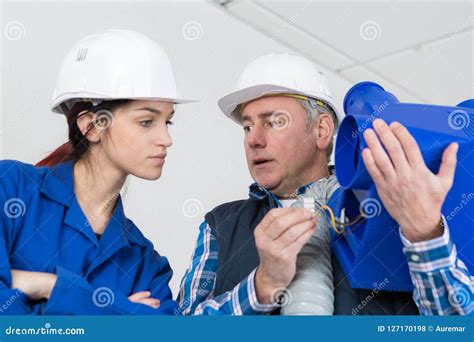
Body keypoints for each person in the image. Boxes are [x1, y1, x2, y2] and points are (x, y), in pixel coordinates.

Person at [177, 53, 473, 315]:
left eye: (274, 122)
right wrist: (261, 285)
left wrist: (424, 234)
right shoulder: (222, 224)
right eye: (247, 127)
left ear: (321, 130)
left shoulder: (399, 202)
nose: (254, 139)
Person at [0, 29, 194, 315]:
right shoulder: (10, 189)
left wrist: (50, 287)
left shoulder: (145, 263)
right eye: (146, 121)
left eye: (168, 122)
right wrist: (119, 312)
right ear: (91, 125)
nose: (166, 139)